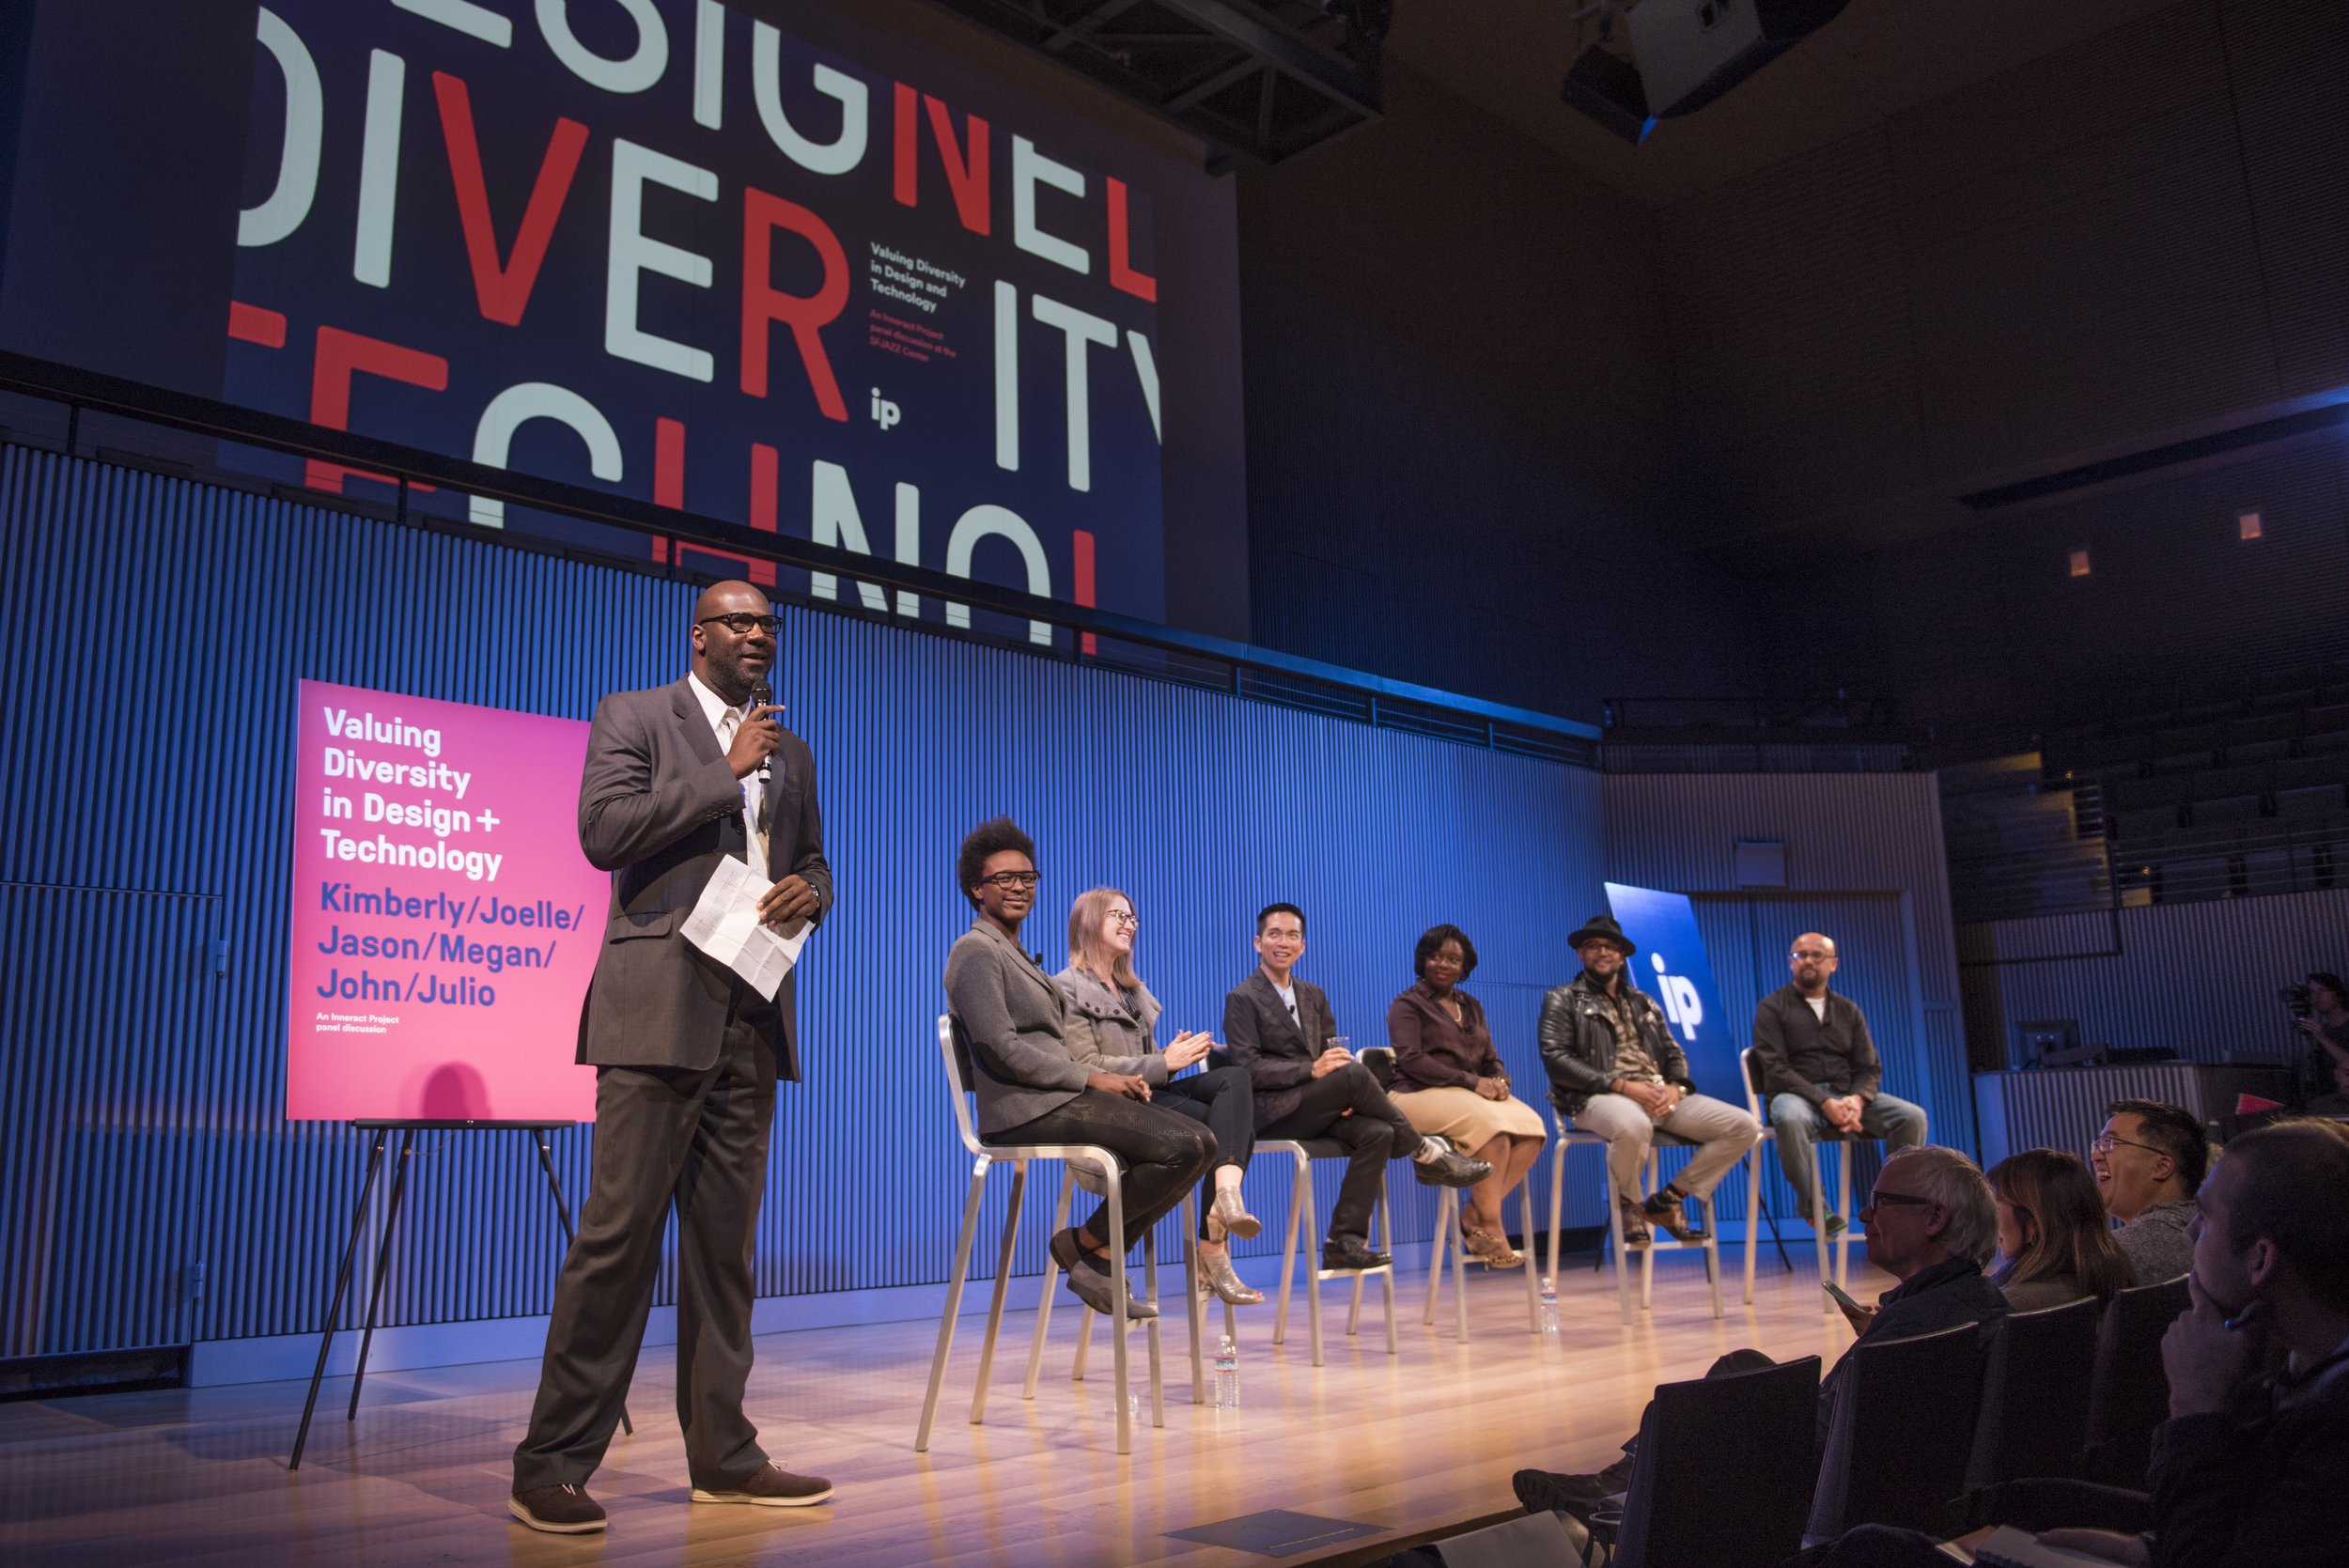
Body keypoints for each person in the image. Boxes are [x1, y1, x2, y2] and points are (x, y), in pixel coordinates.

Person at [510, 582, 833, 1534]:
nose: (756, 636)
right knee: (616, 1244)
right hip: (655, 1016)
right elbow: (602, 834)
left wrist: (809, 893)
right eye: (738, 622)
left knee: (723, 1255)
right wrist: (720, 770)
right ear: (698, 636)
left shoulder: (794, 751)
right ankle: (551, 1464)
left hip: (752, 1014)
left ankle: (724, 1455)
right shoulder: (636, 715)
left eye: (767, 624)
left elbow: (813, 861)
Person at [1817, 1120, 2349, 1568]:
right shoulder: (2307, 1368)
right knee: (2019, 1502)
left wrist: (2197, 1408)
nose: (2186, 1236)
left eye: (2205, 1219)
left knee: (1872, 1547)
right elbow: (2249, 1519)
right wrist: (2145, 1548)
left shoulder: (2332, 1429)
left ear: (2260, 1260)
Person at [1514, 1145, 2009, 1519]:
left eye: (1879, 1202)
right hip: (1879, 1476)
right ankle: (1615, 1486)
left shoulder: (1915, 1323)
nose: (1863, 1214)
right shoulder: (1970, 1302)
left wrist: (1735, 1414)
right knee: (1741, 1366)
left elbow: (1829, 1437)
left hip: (1815, 1488)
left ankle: (1623, 1501)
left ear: (1934, 1218)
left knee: (1694, 1406)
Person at [942, 818, 1215, 1322]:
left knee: (1202, 1141)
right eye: (1004, 879)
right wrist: (1093, 1077)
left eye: (1027, 877)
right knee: (1184, 1146)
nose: (1019, 887)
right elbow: (1003, 1049)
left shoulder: (1017, 952)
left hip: (1056, 1098)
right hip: (1024, 1108)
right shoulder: (974, 951)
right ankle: (1087, 1249)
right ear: (976, 890)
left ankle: (1091, 1250)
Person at [1222, 903, 1490, 1272]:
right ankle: (1426, 1153)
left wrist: (1340, 1090)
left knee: (1377, 1131)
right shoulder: (1243, 997)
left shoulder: (1313, 994)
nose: (1283, 942)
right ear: (1258, 942)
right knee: (1353, 1077)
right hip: (1272, 1112)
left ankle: (1344, 1241)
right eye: (1274, 934)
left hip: (1316, 1104)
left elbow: (1333, 1052)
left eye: (1292, 935)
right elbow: (1246, 1069)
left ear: (1303, 946)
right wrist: (1313, 1071)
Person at [1056, 886, 1265, 1306]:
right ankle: (1210, 1249)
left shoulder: (1132, 991)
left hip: (1149, 1094)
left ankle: (1226, 1197)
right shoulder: (1066, 988)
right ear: (1088, 921)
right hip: (1111, 1106)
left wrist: (1171, 1057)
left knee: (1235, 1082)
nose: (1129, 925)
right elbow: (1086, 1065)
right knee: (1217, 1131)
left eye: (1132, 918)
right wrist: (1164, 1062)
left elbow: (1150, 1066)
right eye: (1119, 916)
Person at [1537, 915, 1762, 1248]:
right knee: (1634, 1126)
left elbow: (1674, 1053)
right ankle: (1631, 1205)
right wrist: (1623, 1086)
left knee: (1743, 1125)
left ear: (1622, 955)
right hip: (1595, 1096)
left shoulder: (1643, 1001)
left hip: (1656, 1093)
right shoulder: (1563, 998)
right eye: (1593, 946)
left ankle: (1669, 1199)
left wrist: (1677, 1087)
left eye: (1610, 947)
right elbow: (1556, 1060)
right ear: (1580, 954)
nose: (1602, 953)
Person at [1387, 924, 1548, 1267]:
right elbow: (1412, 1061)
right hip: (1415, 1094)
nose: (1443, 964)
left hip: (1466, 1094)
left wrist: (1498, 1077)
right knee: (1494, 1132)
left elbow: (1489, 1056)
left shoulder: (1471, 1005)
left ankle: (1473, 1216)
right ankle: (1492, 1227)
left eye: (1453, 959)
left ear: (1465, 966)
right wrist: (1472, 1082)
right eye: (1435, 956)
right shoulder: (1406, 1005)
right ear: (1423, 960)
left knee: (1532, 1129)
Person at [1750, 933, 1928, 1236]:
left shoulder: (1849, 1011)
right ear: (1790, 963)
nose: (1807, 960)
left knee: (1911, 1117)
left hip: (1847, 1097)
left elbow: (1869, 1067)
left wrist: (1857, 1100)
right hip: (1795, 1096)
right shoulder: (1772, 1008)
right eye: (1799, 955)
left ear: (1833, 964)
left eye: (1816, 955)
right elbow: (1775, 1068)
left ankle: (1892, 1205)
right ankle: (1813, 1206)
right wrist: (1824, 1102)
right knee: (1789, 1117)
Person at [1986, 1148, 2135, 1310]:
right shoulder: (2114, 1278)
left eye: (1995, 1208)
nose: (1989, 1220)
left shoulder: (2014, 1304)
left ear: (2034, 1224)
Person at [2092, 1098, 2206, 1285]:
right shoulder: (2212, 1232)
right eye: (2097, 1145)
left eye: (2109, 1143)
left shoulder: (2114, 1254)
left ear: (2162, 1167)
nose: (2095, 1156)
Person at [2297, 970, 2349, 1103]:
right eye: (2313, 992)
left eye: (2323, 990)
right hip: (2328, 1099)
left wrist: (2323, 1038)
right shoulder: (2323, 1028)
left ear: (2337, 994)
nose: (2318, 996)